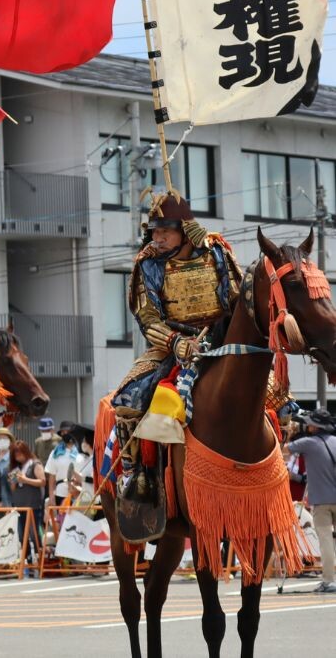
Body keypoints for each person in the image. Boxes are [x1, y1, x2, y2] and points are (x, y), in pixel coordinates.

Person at [112, 193, 240, 509]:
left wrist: (211, 249)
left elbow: (236, 297)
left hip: (221, 342)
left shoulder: (216, 252)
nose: (157, 238)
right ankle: (136, 475)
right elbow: (147, 318)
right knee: (129, 396)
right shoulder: (148, 264)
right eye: (154, 231)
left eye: (164, 231)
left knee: (269, 391)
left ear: (184, 231)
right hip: (170, 346)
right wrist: (177, 343)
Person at [284, 410, 336, 594]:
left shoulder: (308, 443)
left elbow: (285, 449)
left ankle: (329, 581)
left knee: (326, 540)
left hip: (321, 500)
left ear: (316, 426)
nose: (308, 426)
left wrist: (290, 433)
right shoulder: (335, 441)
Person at [7, 440, 45, 570]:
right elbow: (13, 488)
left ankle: (41, 558)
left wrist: (25, 480)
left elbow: (42, 481)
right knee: (22, 534)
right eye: (15, 454)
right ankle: (28, 558)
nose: (18, 456)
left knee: (34, 534)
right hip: (20, 505)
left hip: (33, 505)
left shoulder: (35, 464)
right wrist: (13, 481)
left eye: (20, 453)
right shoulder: (15, 468)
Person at [44, 422, 79, 507]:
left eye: (67, 431)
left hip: (79, 493)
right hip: (61, 493)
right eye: (62, 433)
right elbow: (52, 477)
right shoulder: (55, 453)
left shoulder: (81, 451)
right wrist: (51, 497)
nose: (65, 434)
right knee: (62, 519)